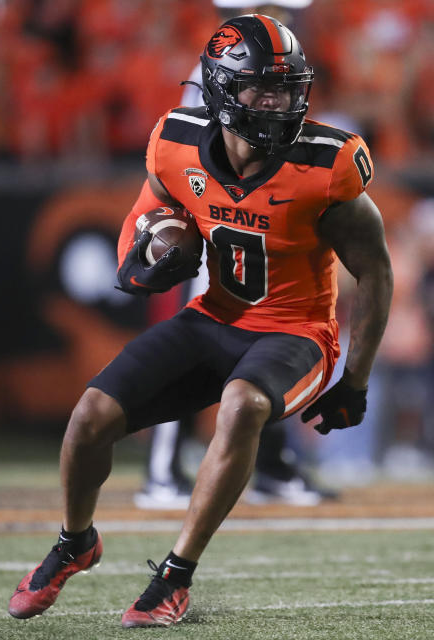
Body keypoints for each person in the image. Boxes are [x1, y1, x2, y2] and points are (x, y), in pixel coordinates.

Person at [8, 14, 392, 628]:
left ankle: (174, 576)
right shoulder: (176, 142)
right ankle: (75, 541)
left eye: (289, 89)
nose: (279, 103)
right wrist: (148, 252)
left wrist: (357, 377)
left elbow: (374, 270)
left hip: (297, 332)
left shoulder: (328, 164)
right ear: (219, 89)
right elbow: (146, 216)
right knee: (89, 418)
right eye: (262, 89)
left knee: (241, 404)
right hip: (212, 317)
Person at [136, 0, 326, 509]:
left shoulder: (277, 61)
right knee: (199, 350)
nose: (286, 19)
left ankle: (273, 465)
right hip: (223, 221)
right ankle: (160, 472)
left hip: (257, 219)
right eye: (276, 8)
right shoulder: (231, 61)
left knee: (271, 344)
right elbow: (203, 150)